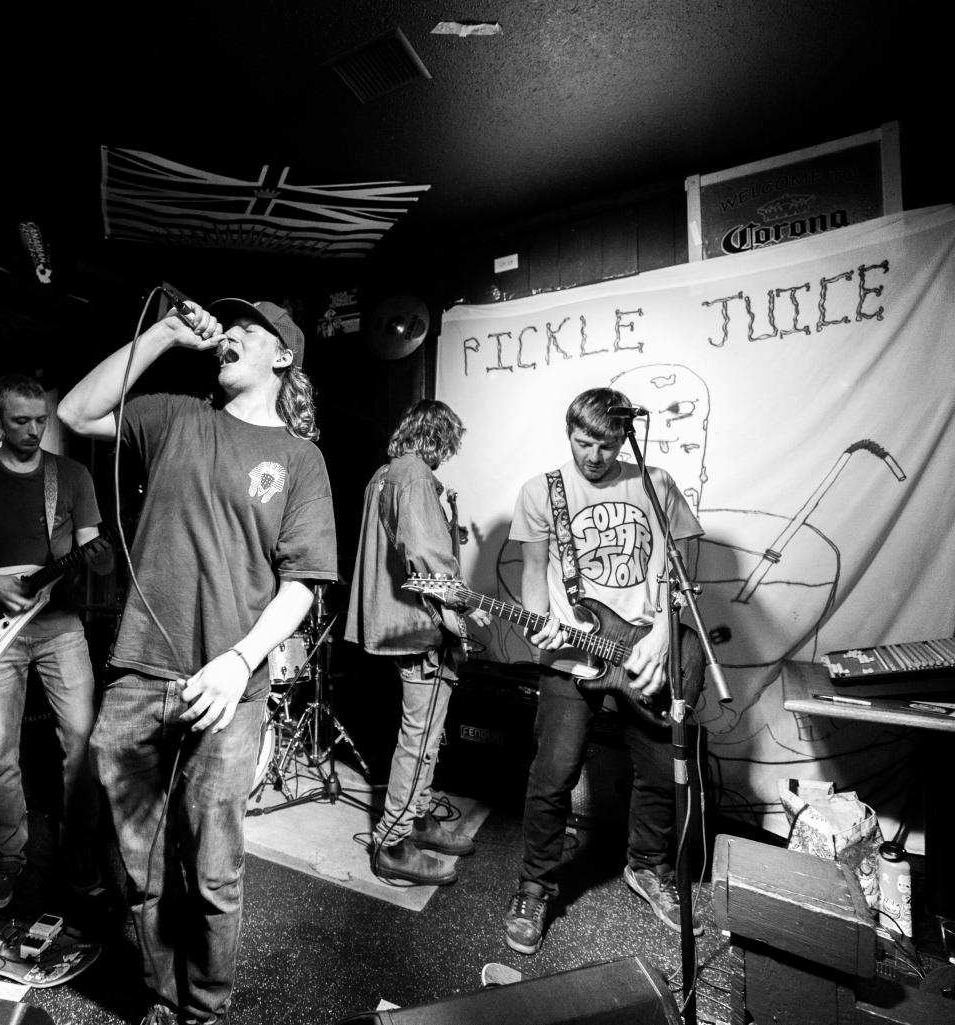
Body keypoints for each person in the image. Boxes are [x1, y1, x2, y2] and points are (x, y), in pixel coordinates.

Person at [58, 296, 337, 1025]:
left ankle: (206, 1009)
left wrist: (240, 661)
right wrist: (162, 332)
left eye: (250, 329)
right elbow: (78, 412)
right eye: (227, 327)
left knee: (212, 868)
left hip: (229, 685)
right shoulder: (178, 417)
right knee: (144, 867)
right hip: (138, 674)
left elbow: (303, 585)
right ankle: (162, 994)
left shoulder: (300, 459)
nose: (231, 334)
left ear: (283, 356)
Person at [502, 386, 704, 955]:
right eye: (584, 441)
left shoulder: (656, 483)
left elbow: (686, 564)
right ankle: (535, 887)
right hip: (575, 653)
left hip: (649, 651)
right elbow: (534, 571)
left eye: (608, 443)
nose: (595, 454)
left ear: (625, 437)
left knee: (663, 772)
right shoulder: (542, 492)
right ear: (569, 432)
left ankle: (647, 866)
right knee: (553, 775)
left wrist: (665, 635)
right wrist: (536, 622)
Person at [0, 373, 113, 910]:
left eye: (41, 422)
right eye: (20, 422)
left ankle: (80, 850)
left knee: (82, 743)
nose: (33, 431)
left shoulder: (71, 476)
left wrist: (92, 560)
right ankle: (8, 856)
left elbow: (87, 549)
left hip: (60, 626)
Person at [344, 399, 488, 886]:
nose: (449, 454)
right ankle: (394, 841)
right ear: (439, 437)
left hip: (393, 622)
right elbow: (426, 555)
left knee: (425, 733)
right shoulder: (415, 476)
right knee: (421, 738)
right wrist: (464, 607)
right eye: (449, 443)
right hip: (419, 625)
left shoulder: (383, 474)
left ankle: (421, 818)